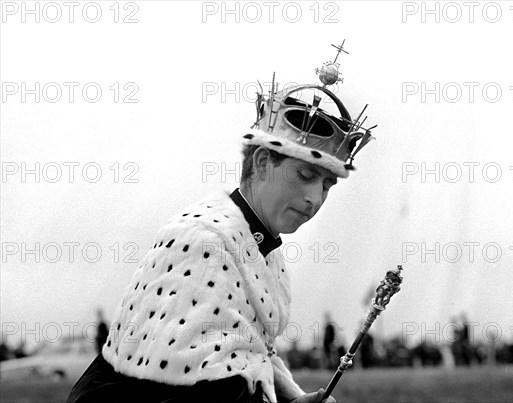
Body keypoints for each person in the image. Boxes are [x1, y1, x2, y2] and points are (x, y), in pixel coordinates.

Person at [68, 41, 373, 403]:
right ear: (261, 163)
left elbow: (248, 354)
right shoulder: (202, 238)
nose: (316, 199)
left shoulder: (263, 246)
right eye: (305, 175)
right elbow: (196, 390)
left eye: (327, 185)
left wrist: (290, 396)